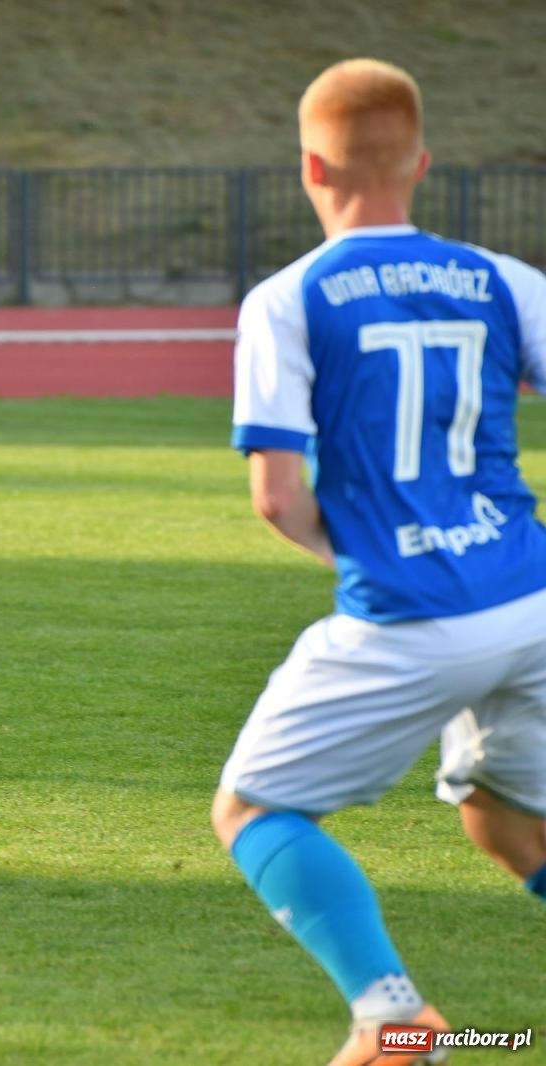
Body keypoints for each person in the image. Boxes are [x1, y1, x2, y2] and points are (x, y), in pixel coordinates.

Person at [213, 58, 546, 1065]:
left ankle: (392, 1018)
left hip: (406, 612)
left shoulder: (287, 298)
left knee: (254, 808)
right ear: (422, 162)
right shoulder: (504, 279)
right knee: (501, 819)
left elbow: (275, 496)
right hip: (529, 597)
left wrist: (359, 554)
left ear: (310, 165)